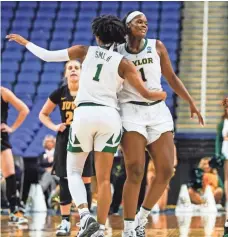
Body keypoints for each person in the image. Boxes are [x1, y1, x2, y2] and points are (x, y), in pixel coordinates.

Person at [6, 14, 167, 237]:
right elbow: (147, 93)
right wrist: (161, 94)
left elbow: (48, 56)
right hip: (110, 117)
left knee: (73, 171)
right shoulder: (124, 63)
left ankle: (84, 216)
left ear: (97, 35)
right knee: (103, 180)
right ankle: (99, 228)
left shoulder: (84, 51)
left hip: (83, 114)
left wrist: (26, 43)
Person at [116, 11, 204, 236]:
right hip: (130, 110)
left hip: (157, 112)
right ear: (127, 26)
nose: (144, 24)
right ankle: (127, 229)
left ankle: (140, 219)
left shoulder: (157, 46)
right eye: (139, 21)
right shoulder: (116, 51)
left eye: (146, 21)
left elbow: (171, 77)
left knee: (166, 170)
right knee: (135, 170)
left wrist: (191, 101)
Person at [39, 60, 93, 236]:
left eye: (76, 68)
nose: (73, 70)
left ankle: (85, 221)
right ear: (65, 73)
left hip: (84, 136)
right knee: (64, 180)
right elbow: (43, 114)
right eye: (70, 68)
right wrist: (55, 127)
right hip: (65, 138)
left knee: (85, 180)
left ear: (81, 72)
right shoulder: (60, 93)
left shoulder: (88, 91)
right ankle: (64, 223)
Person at [0, 86, 29, 224]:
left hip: (1, 138)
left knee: (10, 175)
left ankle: (14, 211)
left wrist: (12, 128)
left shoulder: (3, 92)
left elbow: (24, 110)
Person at [38, 135, 58, 206]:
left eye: (51, 142)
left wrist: (53, 169)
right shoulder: (41, 155)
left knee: (51, 174)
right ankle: (52, 198)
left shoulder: (58, 154)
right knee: (50, 176)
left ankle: (39, 191)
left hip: (57, 174)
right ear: (45, 143)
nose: (49, 143)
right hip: (44, 175)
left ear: (54, 143)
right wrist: (45, 169)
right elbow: (38, 167)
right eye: (47, 142)